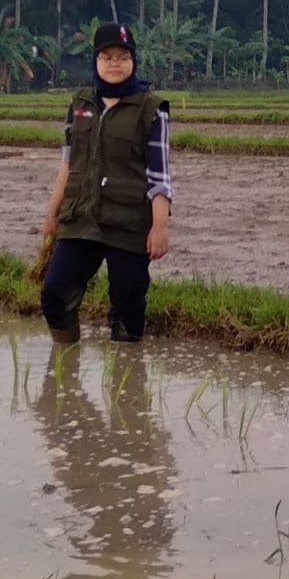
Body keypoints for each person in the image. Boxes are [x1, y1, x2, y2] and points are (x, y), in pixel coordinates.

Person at [37, 23, 174, 344]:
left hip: (127, 222)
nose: (115, 63)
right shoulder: (80, 105)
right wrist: (51, 215)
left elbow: (160, 176)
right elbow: (67, 166)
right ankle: (64, 364)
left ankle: (127, 384)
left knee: (127, 315)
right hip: (80, 217)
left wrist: (160, 226)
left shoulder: (151, 110)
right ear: (96, 61)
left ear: (133, 62)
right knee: (55, 296)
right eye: (107, 56)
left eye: (123, 57)